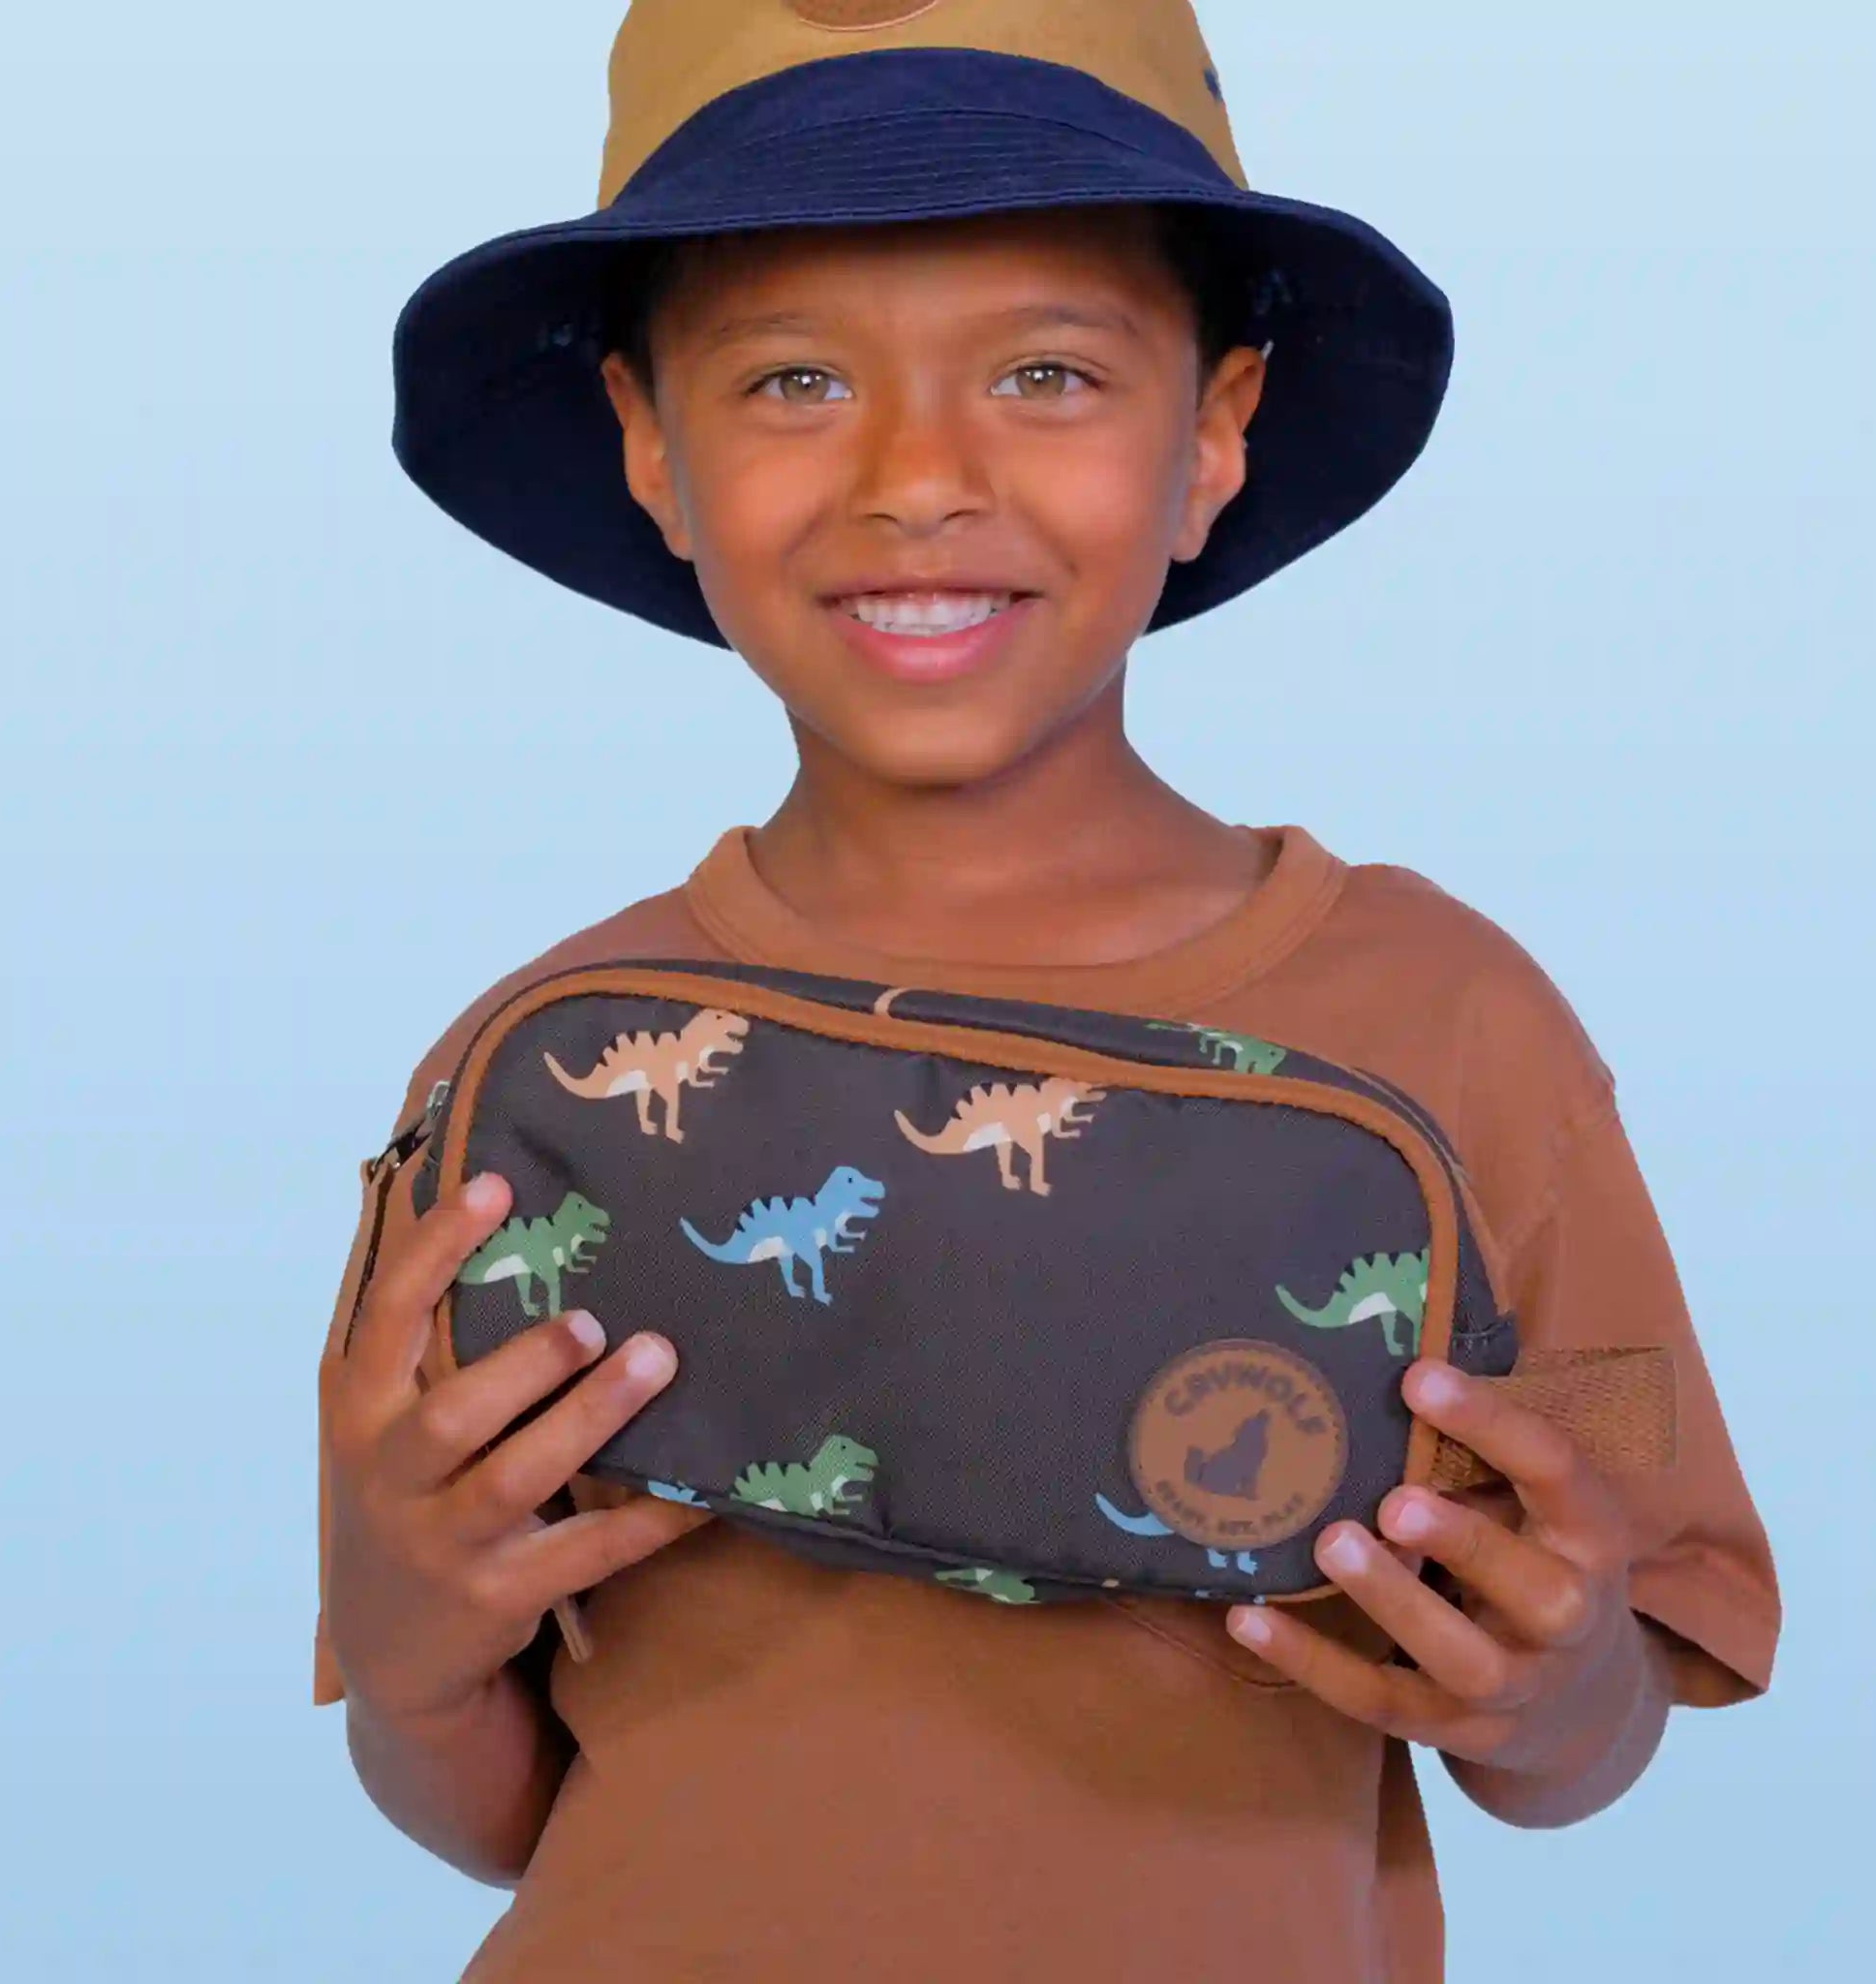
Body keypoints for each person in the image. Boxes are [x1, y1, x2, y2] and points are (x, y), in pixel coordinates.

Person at [313, 4, 1780, 1977]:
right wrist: (407, 1658)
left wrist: (1559, 1689)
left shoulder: (1454, 1022)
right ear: (649, 444)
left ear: (1215, 431)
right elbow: (493, 1813)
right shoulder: (535, 1065)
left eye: (1045, 371)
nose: (920, 476)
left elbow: (1604, 1707)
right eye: (795, 378)